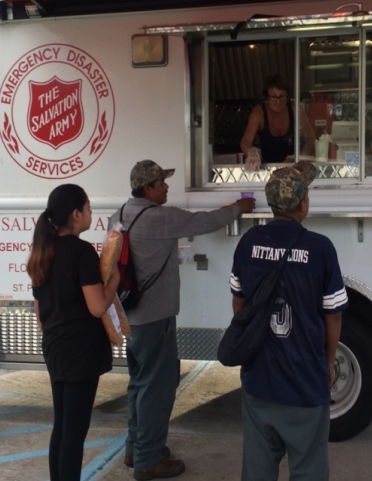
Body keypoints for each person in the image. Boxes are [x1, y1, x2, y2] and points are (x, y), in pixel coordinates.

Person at [114, 160, 256, 480]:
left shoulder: (119, 215)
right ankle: (148, 459)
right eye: (161, 183)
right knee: (158, 388)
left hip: (132, 316)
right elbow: (204, 221)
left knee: (139, 383)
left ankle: (136, 447)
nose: (166, 187)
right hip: (156, 318)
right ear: (148, 188)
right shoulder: (159, 218)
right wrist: (238, 206)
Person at [228, 161, 347, 481]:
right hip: (305, 384)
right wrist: (329, 361)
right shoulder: (320, 248)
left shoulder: (248, 243)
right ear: (303, 203)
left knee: (257, 471)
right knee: (309, 470)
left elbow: (239, 303)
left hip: (259, 381)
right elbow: (333, 315)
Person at [27, 184, 120, 481]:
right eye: (88, 207)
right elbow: (96, 307)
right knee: (75, 432)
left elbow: (40, 312)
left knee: (63, 426)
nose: (91, 212)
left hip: (55, 347)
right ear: (76, 214)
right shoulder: (82, 252)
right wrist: (114, 279)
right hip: (81, 352)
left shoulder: (44, 250)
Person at [240, 74, 316, 170]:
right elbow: (245, 141)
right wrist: (252, 153)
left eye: (282, 96)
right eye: (273, 97)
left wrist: (299, 156)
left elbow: (311, 139)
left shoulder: (295, 109)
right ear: (266, 98)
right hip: (268, 169)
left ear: (287, 96)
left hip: (294, 168)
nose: (278, 101)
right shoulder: (259, 113)